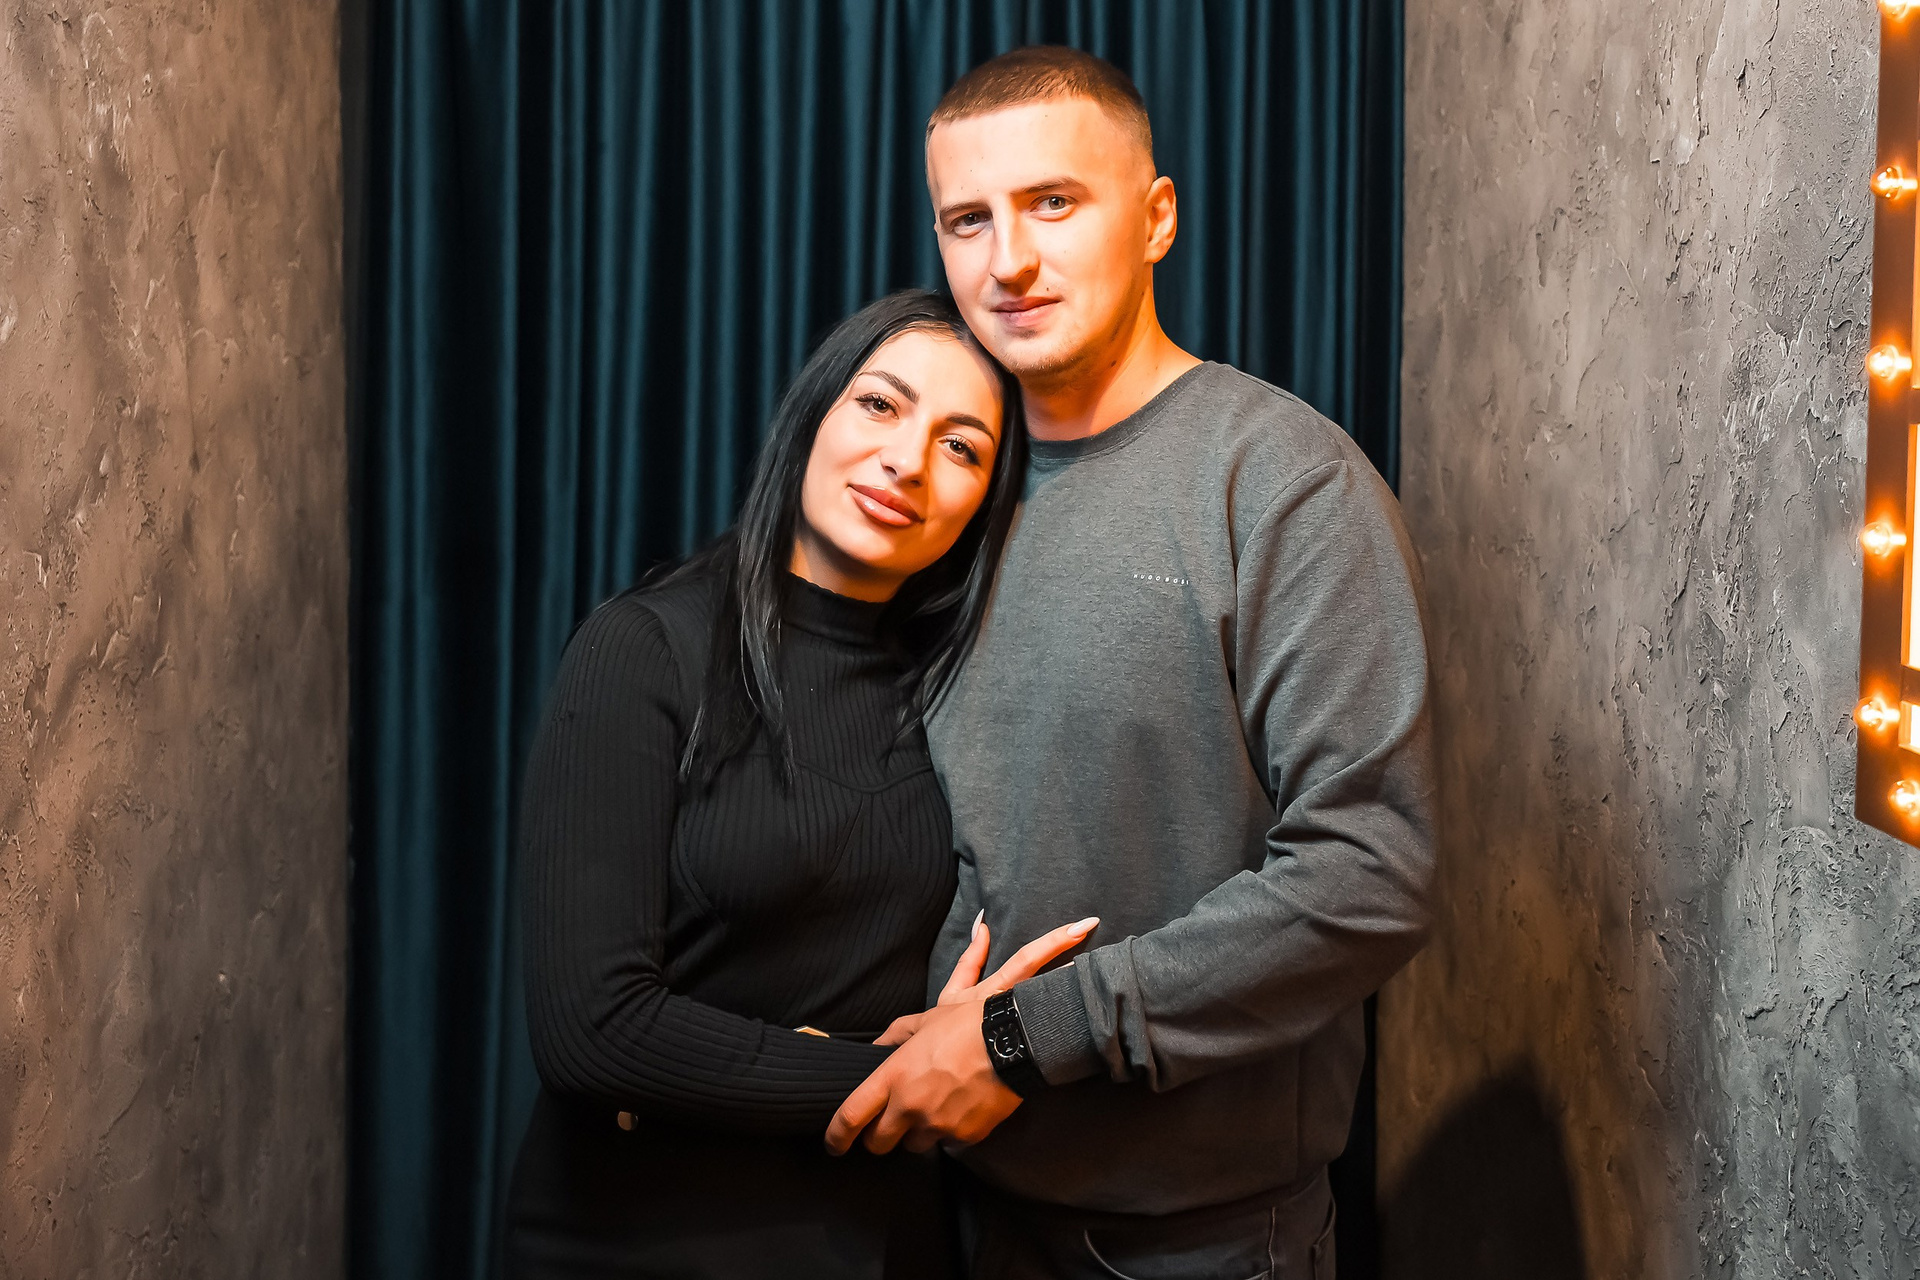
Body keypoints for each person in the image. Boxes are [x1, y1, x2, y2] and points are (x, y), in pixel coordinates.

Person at [825, 48, 1437, 1280]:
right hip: (957, 1211)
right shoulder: (948, 488)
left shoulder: (1283, 483)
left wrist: (1019, 1038)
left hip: (1197, 1243)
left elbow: (1369, 872)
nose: (1007, 259)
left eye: (1053, 202)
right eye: (967, 219)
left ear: (1156, 218)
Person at [505, 288, 1091, 1279]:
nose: (907, 460)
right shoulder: (646, 649)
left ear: (987, 502)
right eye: (881, 404)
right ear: (813, 412)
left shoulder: (958, 692)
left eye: (961, 447)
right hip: (643, 1243)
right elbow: (592, 1032)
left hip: (880, 1239)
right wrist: (905, 1074)